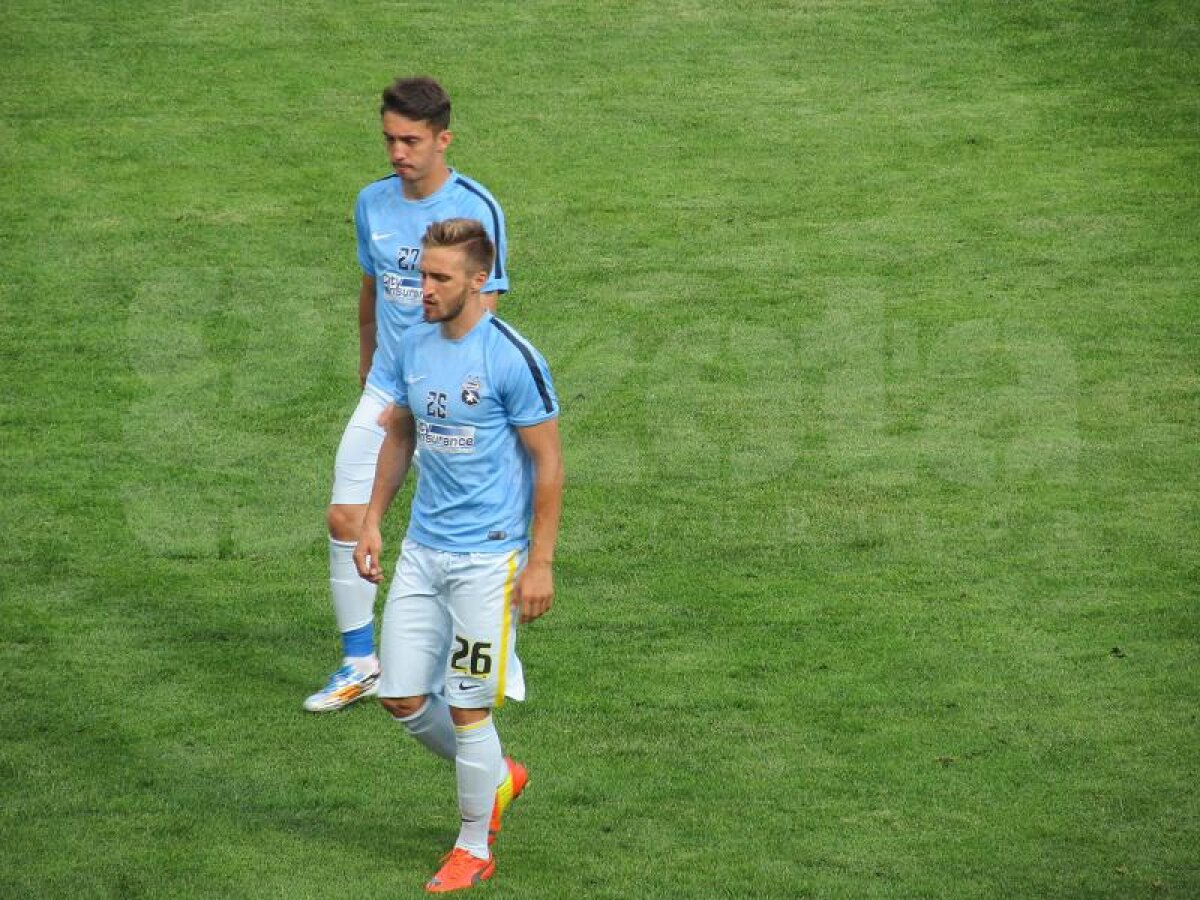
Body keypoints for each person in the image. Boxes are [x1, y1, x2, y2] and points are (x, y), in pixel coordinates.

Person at [353, 218, 563, 892]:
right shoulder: (413, 345)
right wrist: (372, 522)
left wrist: (541, 563)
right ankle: (497, 774)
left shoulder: (510, 358)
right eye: (422, 275)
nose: (424, 288)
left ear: (479, 280)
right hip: (421, 553)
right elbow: (400, 435)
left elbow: (548, 463)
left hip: (489, 563)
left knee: (470, 705)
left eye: (440, 277)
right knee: (401, 697)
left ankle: (474, 846)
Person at [305, 76, 509, 712]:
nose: (398, 152)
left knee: (462, 532)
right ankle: (359, 660)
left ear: (442, 139)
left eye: (411, 140)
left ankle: (475, 651)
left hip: (449, 400)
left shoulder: (478, 205)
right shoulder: (372, 203)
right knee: (345, 516)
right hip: (389, 389)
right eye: (390, 139)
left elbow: (485, 307)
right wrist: (369, 362)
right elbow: (371, 287)